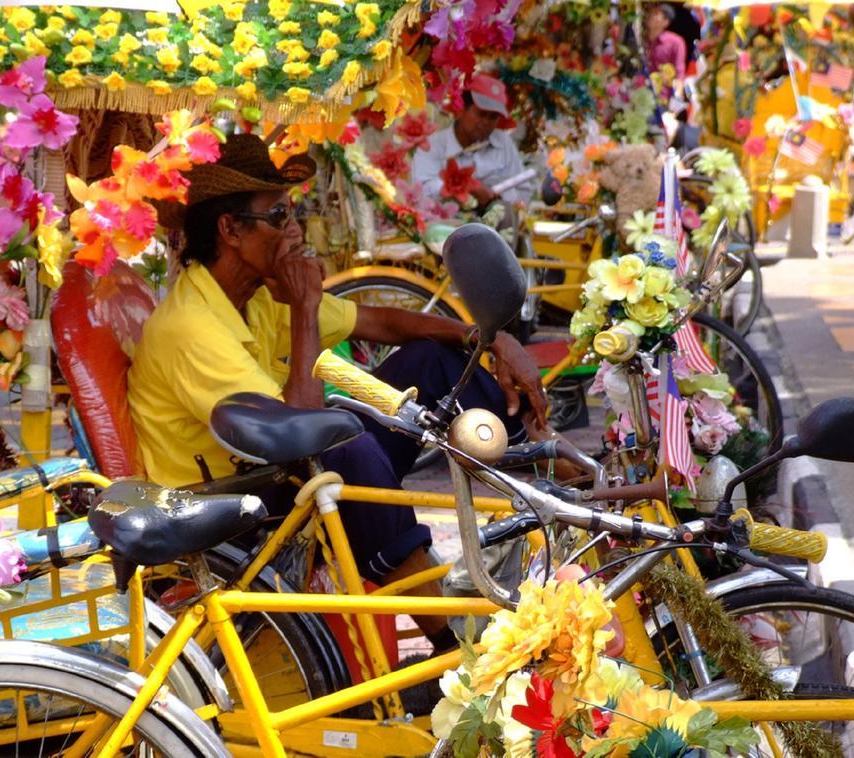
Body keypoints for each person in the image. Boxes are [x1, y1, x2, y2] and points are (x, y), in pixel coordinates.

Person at [128, 134, 549, 652]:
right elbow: (299, 435)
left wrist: (488, 337)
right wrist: (304, 307)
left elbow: (381, 322)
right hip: (222, 507)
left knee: (430, 361)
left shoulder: (252, 296)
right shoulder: (190, 325)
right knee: (342, 444)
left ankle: (544, 462)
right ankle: (449, 639)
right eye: (279, 215)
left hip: (270, 470)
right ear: (230, 229)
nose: (295, 229)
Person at [411, 74, 533, 209]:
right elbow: (422, 189)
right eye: (481, 114)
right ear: (461, 109)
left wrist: (498, 198)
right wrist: (466, 189)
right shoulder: (432, 145)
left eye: (493, 117)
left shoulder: (503, 142)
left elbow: (523, 191)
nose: (486, 122)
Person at [644, 3, 686, 81]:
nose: (650, 16)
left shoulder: (675, 42)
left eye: (655, 14)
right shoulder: (641, 38)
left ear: (666, 22)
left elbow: (679, 72)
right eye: (650, 12)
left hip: (663, 91)